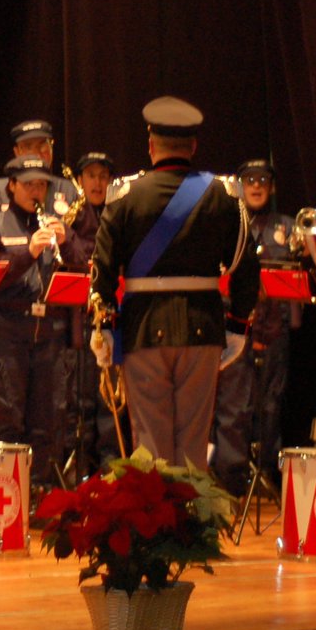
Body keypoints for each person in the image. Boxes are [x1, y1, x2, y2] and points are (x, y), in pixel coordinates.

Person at [89, 97, 259, 470]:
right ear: (193, 146)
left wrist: (103, 330)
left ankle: (157, 528)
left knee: (150, 446)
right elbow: (247, 270)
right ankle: (192, 526)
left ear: (151, 145)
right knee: (193, 445)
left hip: (144, 330)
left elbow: (101, 272)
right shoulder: (224, 195)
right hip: (204, 329)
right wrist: (238, 326)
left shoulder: (125, 196)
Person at [0, 156, 69, 488]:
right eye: (28, 184)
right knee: (9, 419)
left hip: (47, 335)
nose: (35, 191)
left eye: (41, 184)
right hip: (7, 334)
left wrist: (67, 243)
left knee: (46, 421)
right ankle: (6, 498)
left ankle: (39, 497)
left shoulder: (53, 225)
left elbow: (83, 271)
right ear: (11, 186)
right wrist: (27, 252)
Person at [210, 159, 301, 497]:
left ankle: (263, 475)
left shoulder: (289, 227)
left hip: (273, 330)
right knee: (233, 405)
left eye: (263, 179)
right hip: (235, 327)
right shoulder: (228, 222)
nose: (257, 185)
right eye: (249, 179)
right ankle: (230, 478)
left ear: (272, 187)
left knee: (270, 403)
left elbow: (310, 271)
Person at [60, 151, 123, 476]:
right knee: (77, 398)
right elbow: (76, 257)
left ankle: (111, 468)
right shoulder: (71, 216)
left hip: (110, 319)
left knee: (109, 398)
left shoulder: (118, 213)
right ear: (81, 181)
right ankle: (77, 467)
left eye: (103, 176)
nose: (98, 183)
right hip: (75, 321)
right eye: (91, 176)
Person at [0, 119, 76, 221]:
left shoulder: (69, 191)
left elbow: (87, 236)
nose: (37, 154)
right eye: (28, 147)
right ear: (16, 152)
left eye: (43, 145)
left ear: (51, 148)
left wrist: (66, 235)